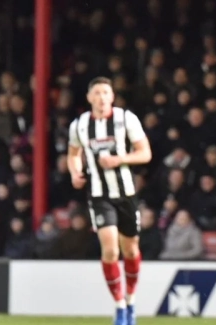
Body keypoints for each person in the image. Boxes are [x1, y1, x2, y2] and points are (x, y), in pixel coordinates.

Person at [68, 77, 152, 325]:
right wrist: (74, 172)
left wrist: (119, 160)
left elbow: (145, 153)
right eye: (97, 93)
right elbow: (73, 154)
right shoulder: (80, 125)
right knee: (110, 248)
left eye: (106, 92)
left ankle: (131, 299)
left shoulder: (126, 119)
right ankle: (119, 307)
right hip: (98, 194)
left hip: (125, 194)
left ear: (112, 96)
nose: (101, 97)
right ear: (89, 97)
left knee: (130, 249)